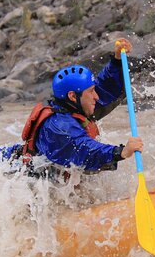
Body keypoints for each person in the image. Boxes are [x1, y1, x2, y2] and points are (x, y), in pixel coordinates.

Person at [21, 38, 143, 178]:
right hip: (30, 179)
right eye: (91, 92)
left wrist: (117, 61)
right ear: (73, 96)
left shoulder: (76, 105)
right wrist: (121, 152)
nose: (96, 96)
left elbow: (105, 89)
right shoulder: (59, 127)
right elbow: (85, 150)